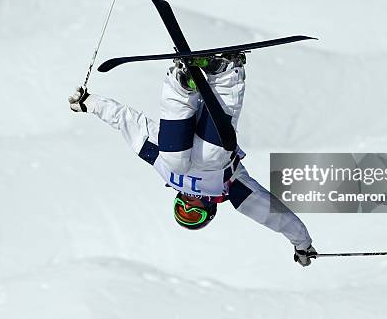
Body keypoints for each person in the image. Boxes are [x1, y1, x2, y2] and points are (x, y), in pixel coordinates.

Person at [69, 54, 317, 266]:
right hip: (216, 154)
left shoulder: (165, 172)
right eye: (192, 213)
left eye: (181, 209)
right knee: (210, 155)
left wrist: (90, 103)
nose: (188, 205)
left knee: (174, 159)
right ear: (209, 211)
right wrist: (302, 243)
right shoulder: (231, 190)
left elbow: (129, 124)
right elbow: (276, 216)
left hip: (175, 148)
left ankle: (181, 84)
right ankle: (226, 74)